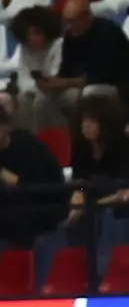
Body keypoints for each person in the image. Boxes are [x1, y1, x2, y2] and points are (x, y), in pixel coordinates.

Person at [0, 100, 67, 260]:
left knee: (18, 217)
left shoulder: (28, 145)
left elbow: (30, 188)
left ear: (6, 126)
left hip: (36, 208)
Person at [63, 90, 129, 266]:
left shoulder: (122, 146)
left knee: (109, 216)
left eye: (93, 121)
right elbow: (80, 179)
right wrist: (79, 194)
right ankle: (77, 272)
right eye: (84, 120)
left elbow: (122, 189)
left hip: (117, 204)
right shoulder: (81, 147)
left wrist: (89, 204)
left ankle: (107, 272)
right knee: (69, 218)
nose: (87, 126)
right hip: (92, 201)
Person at [56, 0, 129, 119]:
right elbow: (66, 70)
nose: (69, 26)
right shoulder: (70, 36)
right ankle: (55, 133)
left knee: (89, 93)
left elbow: (106, 74)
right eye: (66, 21)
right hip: (83, 84)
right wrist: (53, 83)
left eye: (72, 21)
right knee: (45, 99)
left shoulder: (108, 32)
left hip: (117, 85)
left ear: (87, 17)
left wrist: (69, 82)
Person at [9, 2, 69, 131]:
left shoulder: (59, 45)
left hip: (59, 91)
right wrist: (37, 87)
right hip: (37, 91)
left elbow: (55, 75)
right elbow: (23, 80)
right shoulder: (25, 49)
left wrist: (41, 87)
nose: (32, 38)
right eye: (29, 34)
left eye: (36, 34)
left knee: (41, 102)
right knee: (20, 101)